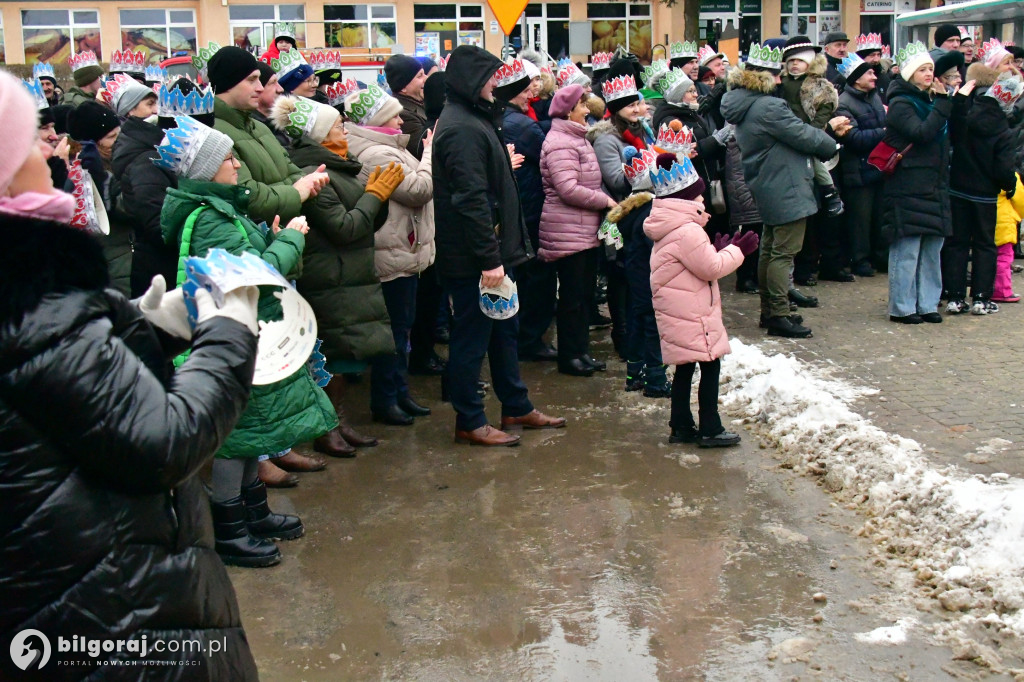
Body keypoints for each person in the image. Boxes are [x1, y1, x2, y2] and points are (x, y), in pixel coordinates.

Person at [0, 69, 262, 677]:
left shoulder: (33, 298)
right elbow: (163, 442)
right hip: (112, 607)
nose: (51, 150)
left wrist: (137, 328)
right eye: (30, 140)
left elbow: (61, 401)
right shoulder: (31, 304)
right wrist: (230, 330)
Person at [159, 115, 337, 566]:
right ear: (206, 170)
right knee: (235, 437)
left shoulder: (219, 209)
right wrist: (290, 240)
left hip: (240, 333)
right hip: (231, 336)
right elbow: (254, 275)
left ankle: (253, 513)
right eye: (228, 159)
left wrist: (270, 238)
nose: (237, 164)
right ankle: (230, 530)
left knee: (250, 428)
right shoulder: (210, 218)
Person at [432, 44, 565, 447]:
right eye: (490, 77)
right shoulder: (461, 127)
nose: (496, 84)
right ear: (471, 81)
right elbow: (470, 200)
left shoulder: (476, 117)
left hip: (494, 255)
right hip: (475, 259)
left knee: (505, 333)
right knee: (471, 340)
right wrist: (490, 260)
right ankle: (470, 420)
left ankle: (516, 405)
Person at [271, 94, 407, 449]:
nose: (345, 131)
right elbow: (345, 228)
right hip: (329, 276)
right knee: (331, 357)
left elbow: (366, 224)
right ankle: (326, 429)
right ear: (320, 136)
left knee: (343, 359)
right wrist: (374, 196)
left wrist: (377, 196)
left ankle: (338, 422)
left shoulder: (340, 168)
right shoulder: (315, 175)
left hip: (345, 275)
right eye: (337, 126)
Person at [720, 42, 845, 338]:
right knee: (782, 254)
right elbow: (802, 135)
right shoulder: (768, 106)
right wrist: (831, 141)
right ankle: (778, 314)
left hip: (768, 182)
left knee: (770, 250)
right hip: (785, 184)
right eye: (777, 74)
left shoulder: (744, 102)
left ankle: (771, 310)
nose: (781, 79)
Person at [643, 153, 758, 447]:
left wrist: (718, 249)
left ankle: (681, 425)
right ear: (686, 199)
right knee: (710, 364)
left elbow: (698, 263)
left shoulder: (669, 225)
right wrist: (738, 251)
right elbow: (712, 268)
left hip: (680, 310)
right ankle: (710, 427)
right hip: (693, 313)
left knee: (684, 367)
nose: (703, 200)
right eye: (698, 195)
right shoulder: (688, 231)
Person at [344, 83, 436, 426]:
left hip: (398, 249)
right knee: (393, 332)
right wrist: (430, 154)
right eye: (394, 116)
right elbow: (418, 190)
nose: (400, 122)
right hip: (391, 253)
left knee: (400, 329)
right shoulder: (376, 154)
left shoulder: (382, 147)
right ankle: (386, 400)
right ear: (378, 120)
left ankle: (399, 393)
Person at [539, 83, 615, 377]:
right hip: (567, 231)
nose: (587, 110)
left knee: (583, 296)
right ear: (569, 111)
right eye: (582, 105)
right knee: (572, 298)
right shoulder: (561, 142)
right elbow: (568, 189)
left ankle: (581, 352)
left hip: (582, 229)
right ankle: (570, 356)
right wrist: (605, 201)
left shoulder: (576, 137)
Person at [880, 43, 954, 324]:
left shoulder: (932, 100)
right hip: (908, 184)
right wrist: (944, 104)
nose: (928, 74)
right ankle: (902, 306)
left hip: (934, 183)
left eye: (930, 69)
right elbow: (921, 133)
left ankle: (927, 303)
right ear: (910, 74)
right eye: (922, 69)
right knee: (907, 248)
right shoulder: (901, 103)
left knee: (932, 248)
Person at [944, 65, 1019, 316]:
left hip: (958, 188)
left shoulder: (968, 117)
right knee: (985, 245)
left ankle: (955, 297)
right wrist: (1008, 186)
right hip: (985, 195)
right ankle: (981, 297)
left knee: (957, 243)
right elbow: (1004, 169)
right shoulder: (1004, 131)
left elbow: (953, 132)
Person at [501, 64, 556, 362]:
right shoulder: (523, 126)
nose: (530, 95)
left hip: (514, 208)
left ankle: (517, 338)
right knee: (537, 279)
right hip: (530, 208)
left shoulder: (499, 119)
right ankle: (530, 340)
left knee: (520, 278)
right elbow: (547, 159)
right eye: (525, 90)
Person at [65, 100, 135, 297]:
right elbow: (129, 208)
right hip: (114, 266)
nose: (119, 140)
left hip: (130, 258)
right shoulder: (79, 174)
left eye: (119, 133)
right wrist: (103, 182)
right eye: (112, 137)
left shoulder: (122, 161)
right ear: (92, 143)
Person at [780, 36, 844, 220]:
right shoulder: (781, 83)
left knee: (814, 161)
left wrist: (811, 131)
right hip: (786, 132)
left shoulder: (820, 86)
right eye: (791, 60)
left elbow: (824, 111)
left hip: (808, 132)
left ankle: (830, 192)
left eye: (800, 60)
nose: (795, 64)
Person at [836, 52, 888, 277]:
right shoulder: (844, 104)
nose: (875, 77)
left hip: (879, 169)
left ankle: (879, 257)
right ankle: (860, 260)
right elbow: (854, 139)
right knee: (860, 220)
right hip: (857, 171)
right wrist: (884, 133)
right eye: (869, 73)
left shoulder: (874, 97)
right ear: (857, 79)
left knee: (879, 217)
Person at [385, 54, 428, 157]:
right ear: (403, 87)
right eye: (420, 76)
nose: (426, 78)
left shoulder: (422, 102)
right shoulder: (402, 114)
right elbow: (423, 149)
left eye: (424, 73)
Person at [993, 172, 1024, 302]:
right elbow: (1021, 201)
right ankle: (1001, 291)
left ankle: (983, 289)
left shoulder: (982, 172)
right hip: (1004, 222)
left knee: (985, 256)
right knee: (1004, 258)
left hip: (984, 220)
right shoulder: (1011, 175)